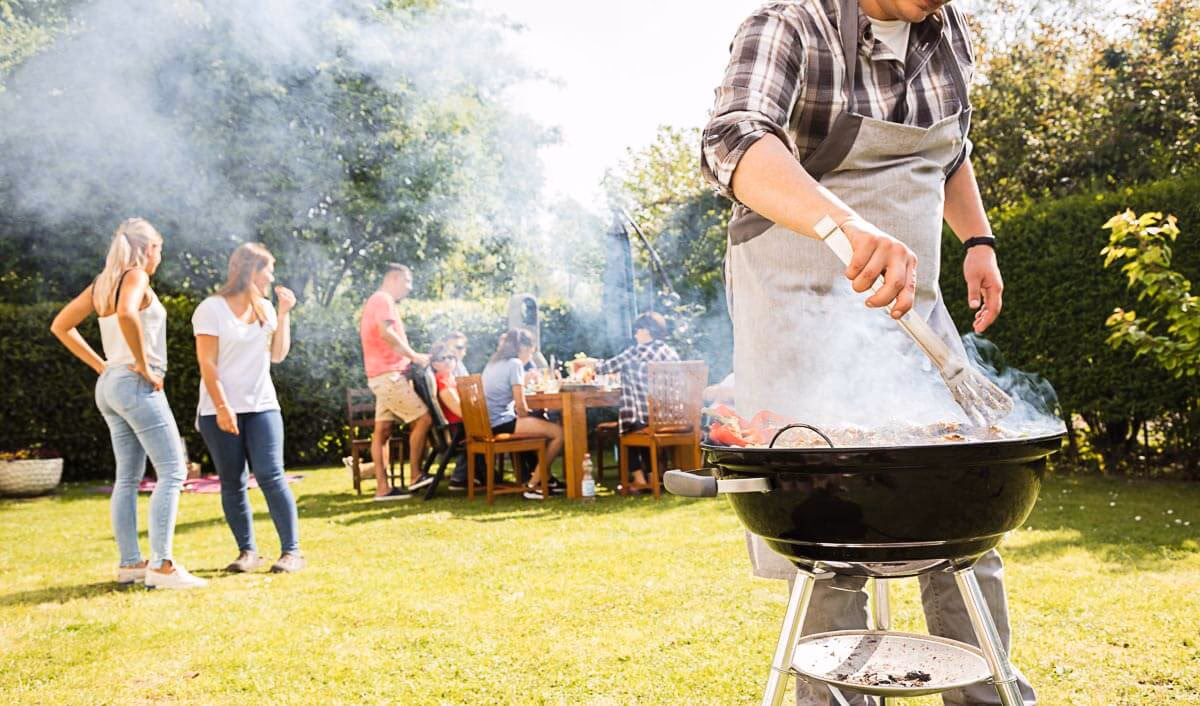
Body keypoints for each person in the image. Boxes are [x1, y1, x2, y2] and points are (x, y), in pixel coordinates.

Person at [702, 1, 1028, 704]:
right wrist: (848, 226)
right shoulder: (790, 24)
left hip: (916, 315)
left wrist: (978, 241)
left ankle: (988, 697)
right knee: (829, 536)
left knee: (963, 512)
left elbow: (952, 151)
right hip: (800, 314)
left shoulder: (945, 32)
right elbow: (731, 139)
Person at [50, 218, 206, 589]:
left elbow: (60, 325)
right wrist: (141, 362)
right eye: (159, 250)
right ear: (147, 249)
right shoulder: (135, 276)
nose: (160, 258)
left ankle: (131, 565)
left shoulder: (102, 284)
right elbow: (126, 314)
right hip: (135, 382)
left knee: (128, 478)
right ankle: (162, 567)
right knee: (173, 471)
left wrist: (102, 366)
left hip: (110, 386)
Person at [193, 243, 303, 574]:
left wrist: (283, 314)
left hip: (262, 406)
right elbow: (207, 363)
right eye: (268, 269)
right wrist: (224, 407)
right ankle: (247, 552)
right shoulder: (211, 309)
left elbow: (278, 355)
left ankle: (292, 552)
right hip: (218, 409)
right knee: (232, 480)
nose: (272, 276)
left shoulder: (266, 309)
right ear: (251, 271)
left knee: (271, 474)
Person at [358, 263, 434, 501]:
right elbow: (386, 333)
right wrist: (414, 356)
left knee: (382, 431)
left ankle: (383, 489)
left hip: (380, 375)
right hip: (388, 375)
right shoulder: (382, 299)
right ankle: (415, 476)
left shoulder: (377, 300)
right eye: (407, 281)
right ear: (393, 278)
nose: (409, 287)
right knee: (424, 419)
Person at [588, 312, 680, 492]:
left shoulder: (637, 351)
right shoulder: (670, 352)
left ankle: (639, 479)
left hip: (649, 419)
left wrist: (587, 363)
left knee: (628, 428)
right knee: (638, 425)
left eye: (637, 330)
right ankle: (653, 476)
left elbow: (605, 367)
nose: (635, 334)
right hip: (672, 417)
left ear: (646, 331)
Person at [480, 328, 564, 499]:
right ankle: (533, 485)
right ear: (524, 348)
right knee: (558, 433)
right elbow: (520, 405)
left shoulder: (492, 363)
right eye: (531, 352)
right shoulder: (515, 363)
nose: (530, 358)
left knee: (541, 425)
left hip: (488, 422)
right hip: (501, 422)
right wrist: (529, 419)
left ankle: (544, 480)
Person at [428, 341, 473, 490]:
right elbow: (462, 412)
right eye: (442, 358)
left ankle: (478, 474)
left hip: (461, 429)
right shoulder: (442, 382)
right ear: (434, 364)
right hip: (458, 432)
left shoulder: (450, 379)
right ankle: (461, 477)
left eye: (451, 357)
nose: (448, 361)